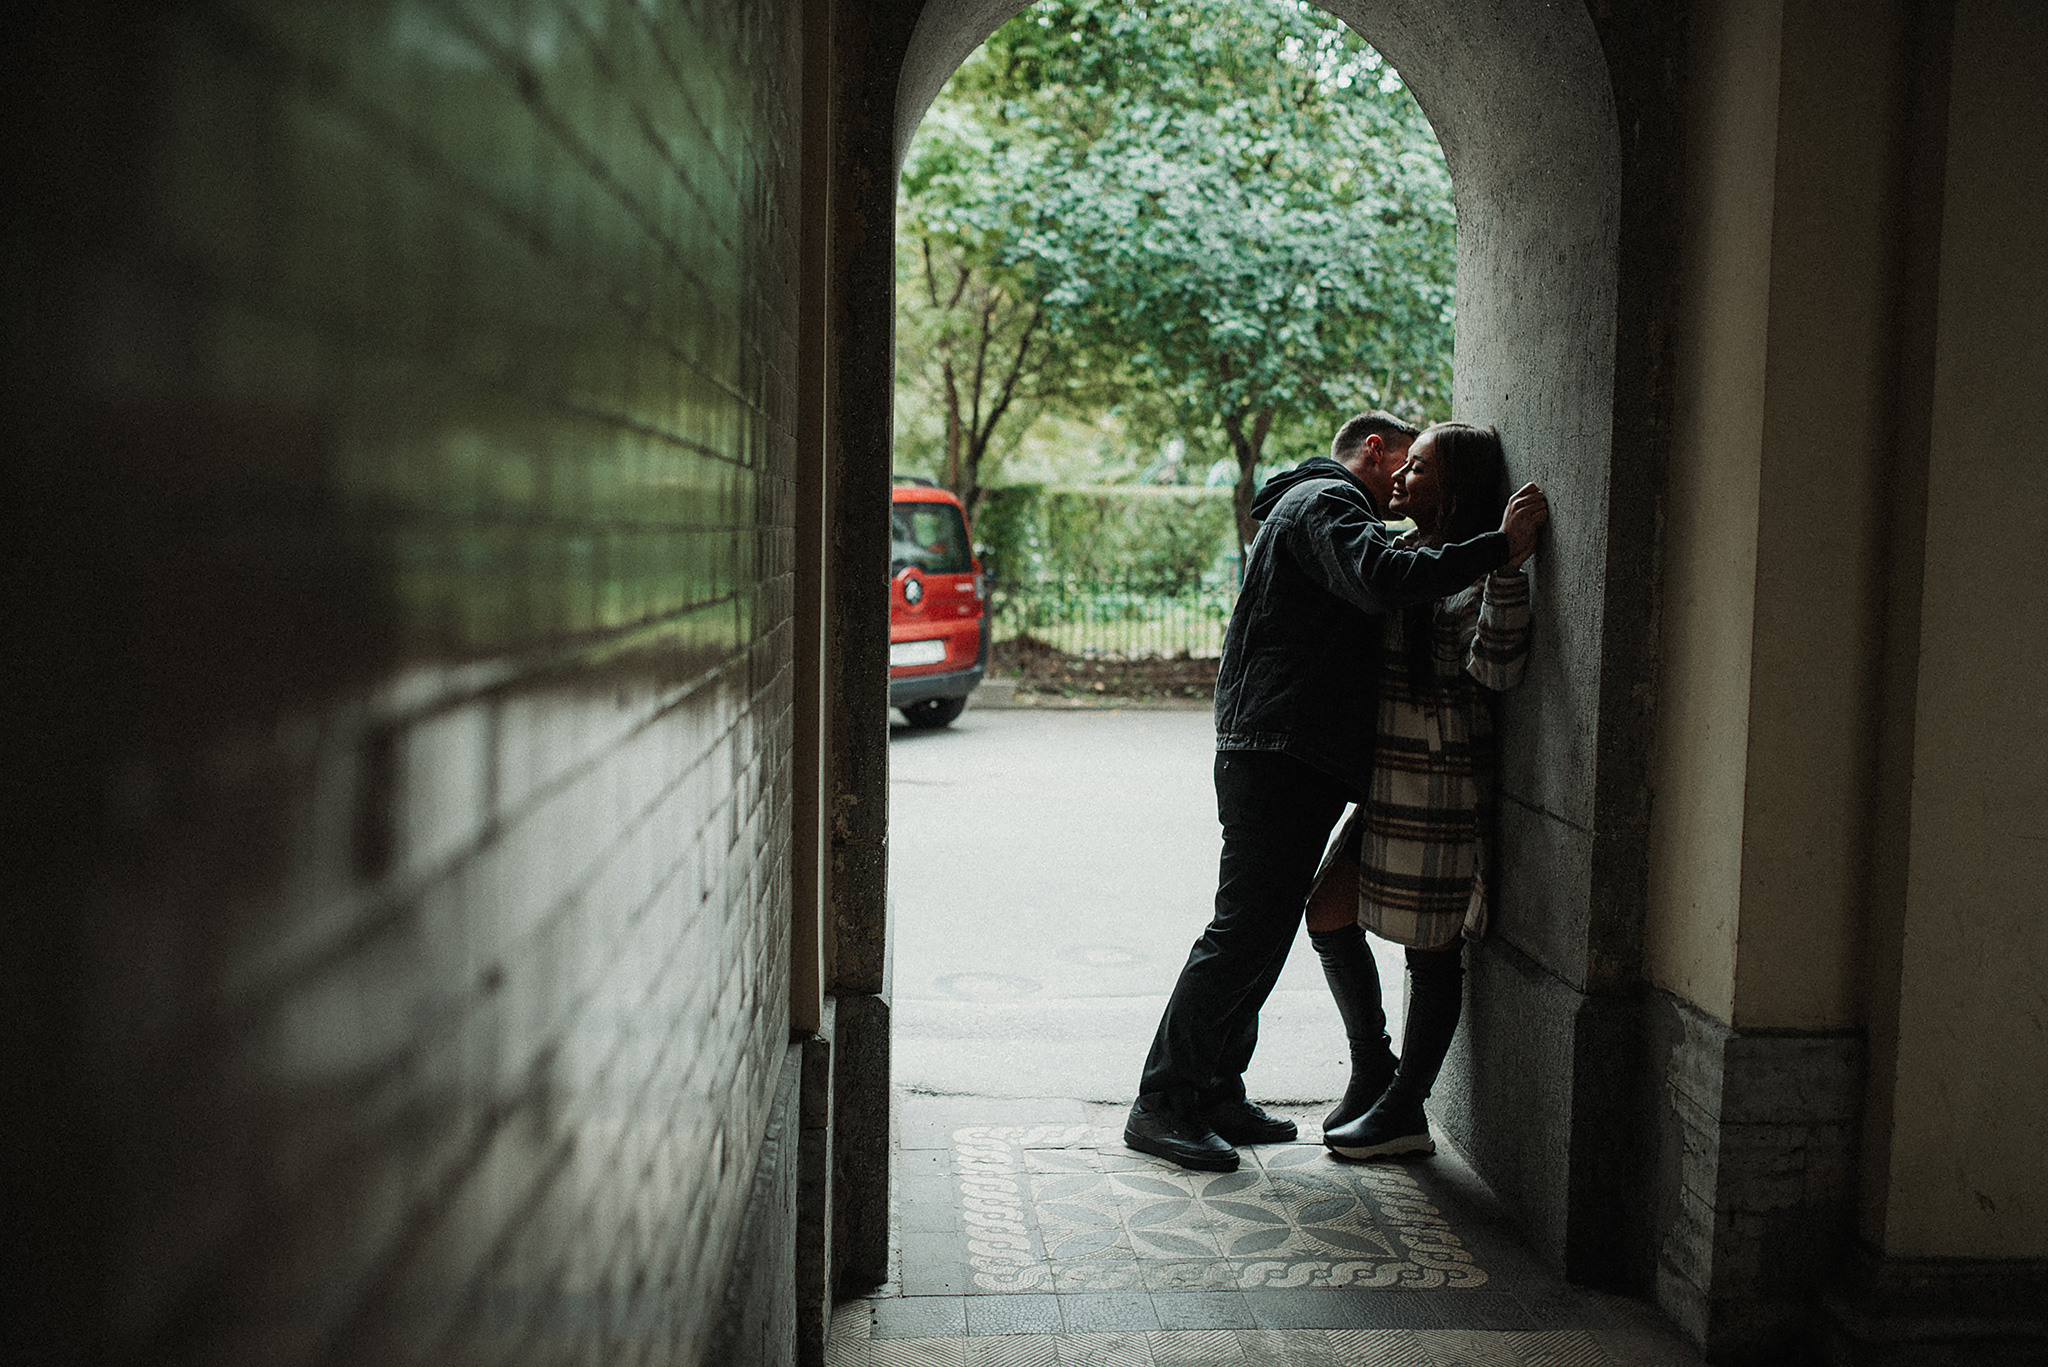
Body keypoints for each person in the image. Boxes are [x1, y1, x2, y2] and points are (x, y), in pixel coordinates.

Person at [1125, 412, 1549, 1172]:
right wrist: (1499, 549)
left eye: (1427, 469)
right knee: (1244, 928)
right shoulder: (1327, 503)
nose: (1403, 484)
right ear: (1375, 451)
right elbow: (1382, 582)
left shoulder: (1328, 510)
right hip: (1277, 750)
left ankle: (1217, 1088)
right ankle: (1163, 1099)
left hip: (1295, 753)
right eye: (1404, 463)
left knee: (1266, 926)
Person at [1303, 422, 1534, 1161]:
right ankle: (1374, 1066)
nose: (1400, 476)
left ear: (1455, 486)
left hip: (1437, 787)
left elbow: (1497, 672)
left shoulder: (1484, 568)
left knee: (1432, 955)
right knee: (1327, 910)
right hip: (1385, 783)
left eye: (1421, 468)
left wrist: (1505, 563)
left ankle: (1407, 1109)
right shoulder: (1399, 554)